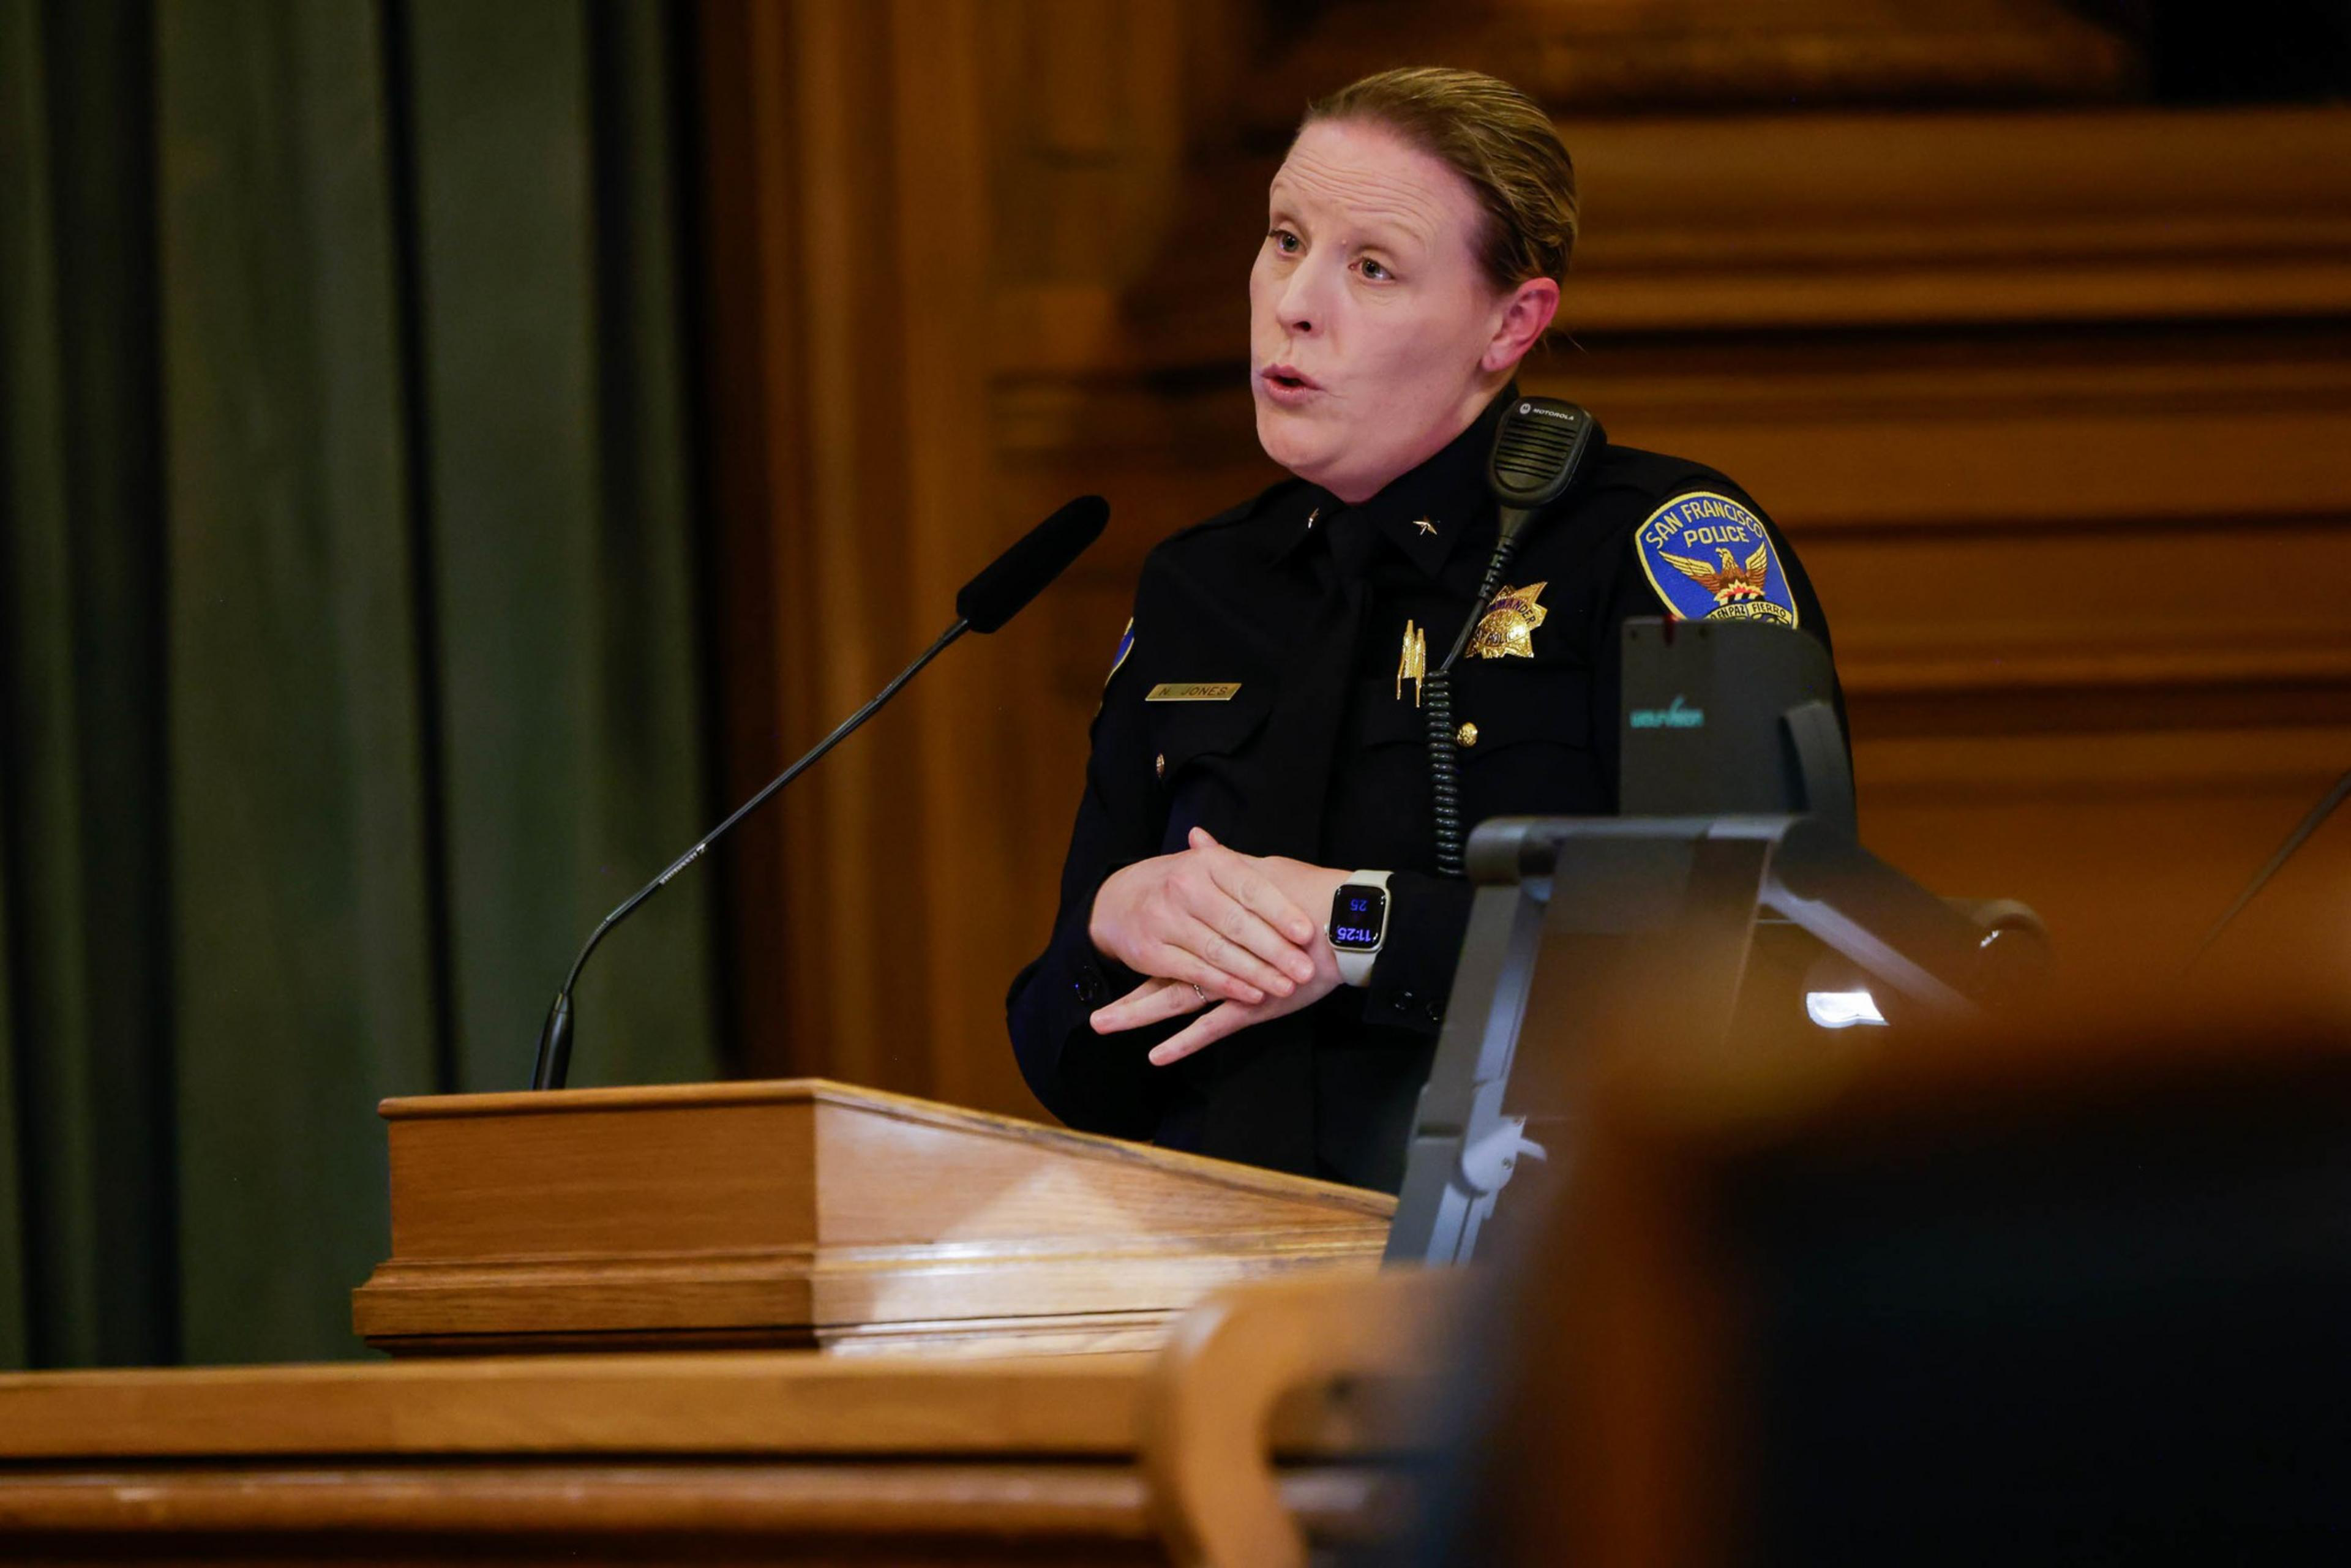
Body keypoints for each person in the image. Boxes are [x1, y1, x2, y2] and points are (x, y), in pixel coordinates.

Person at [1006, 67, 1839, 1193]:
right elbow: (1068, 1065)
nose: (1296, 301)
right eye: (1286, 239)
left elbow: (1760, 951)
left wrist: (1361, 926)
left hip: (1541, 1289)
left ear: (1511, 324)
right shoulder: (1199, 586)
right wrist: (1114, 924)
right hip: (1216, 1295)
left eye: (1371, 266)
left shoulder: (1665, 548)